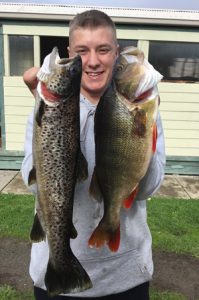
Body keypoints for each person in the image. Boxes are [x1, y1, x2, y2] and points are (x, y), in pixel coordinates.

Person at [22, 9, 165, 300]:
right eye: (82, 51)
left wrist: (139, 133)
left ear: (116, 52)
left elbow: (148, 188)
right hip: (53, 270)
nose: (93, 61)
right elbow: (30, 179)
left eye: (103, 49)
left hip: (126, 275)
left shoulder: (142, 106)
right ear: (70, 53)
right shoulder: (46, 109)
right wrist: (47, 114)